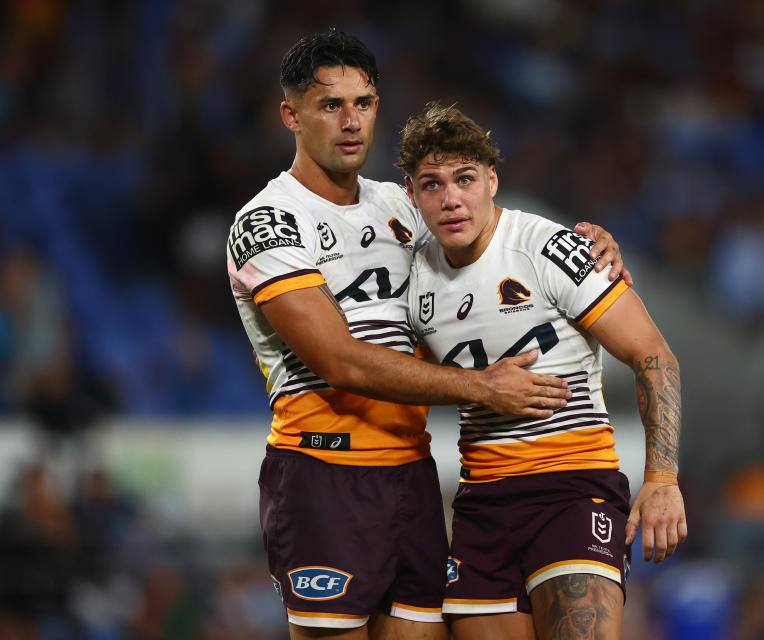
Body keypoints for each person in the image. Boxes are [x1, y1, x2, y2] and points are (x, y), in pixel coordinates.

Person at [226, 31, 629, 640]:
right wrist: (481, 388)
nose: (350, 121)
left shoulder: (406, 206)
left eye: (362, 103)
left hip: (413, 477)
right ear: (291, 115)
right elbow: (338, 361)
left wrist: (586, 244)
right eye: (329, 105)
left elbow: (496, 231)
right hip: (324, 474)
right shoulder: (269, 221)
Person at [398, 103, 687, 640]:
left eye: (464, 179)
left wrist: (663, 479)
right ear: (412, 196)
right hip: (481, 504)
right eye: (431, 184)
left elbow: (653, 354)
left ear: (492, 181)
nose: (451, 198)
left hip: (572, 492)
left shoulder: (549, 249)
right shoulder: (413, 276)